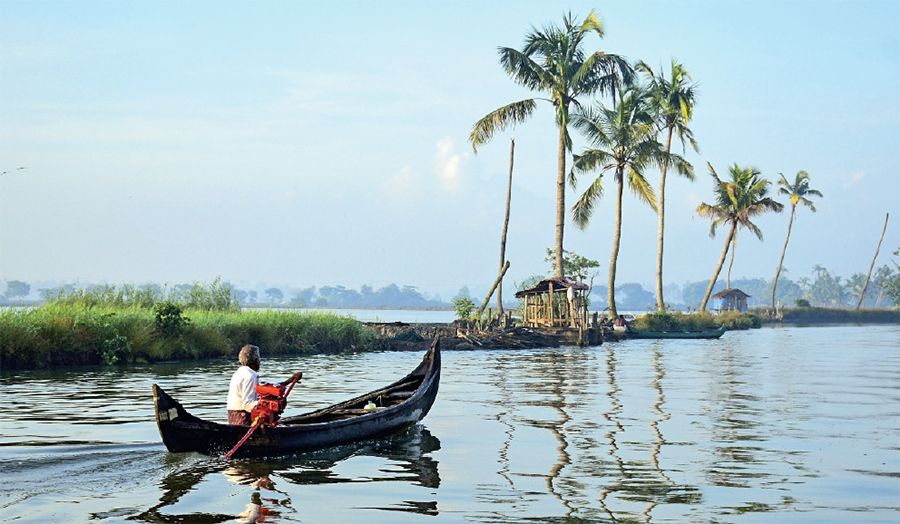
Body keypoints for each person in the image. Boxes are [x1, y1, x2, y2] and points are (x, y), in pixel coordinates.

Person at [227, 344, 302, 426]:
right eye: (259, 359)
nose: (260, 361)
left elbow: (266, 388)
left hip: (233, 416)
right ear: (255, 360)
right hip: (243, 418)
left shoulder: (239, 372)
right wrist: (267, 406)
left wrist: (289, 381)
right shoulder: (250, 376)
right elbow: (247, 404)